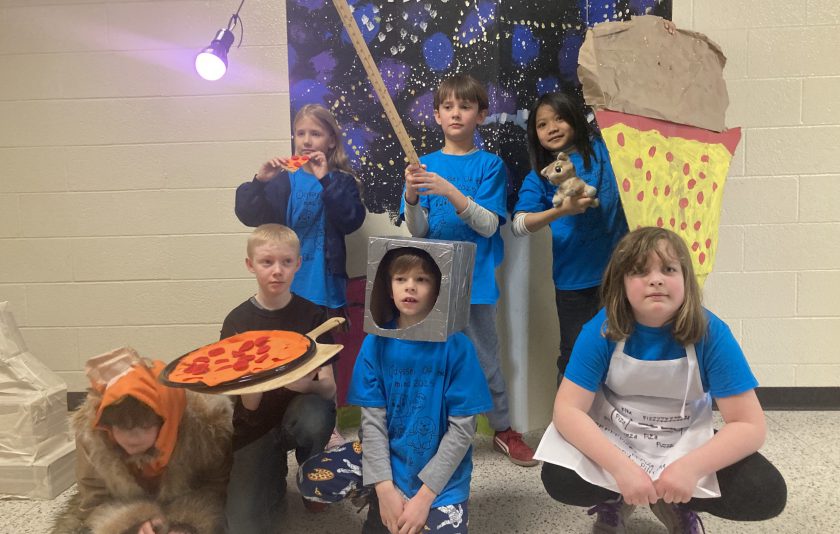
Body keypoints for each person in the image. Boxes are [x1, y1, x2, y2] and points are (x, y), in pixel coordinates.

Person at [540, 227, 786, 533]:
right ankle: (618, 497)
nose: (656, 279)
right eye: (640, 271)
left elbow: (749, 425)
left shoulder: (712, 334)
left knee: (765, 492)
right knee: (559, 477)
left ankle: (674, 501)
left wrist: (691, 469)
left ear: (686, 280)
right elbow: (567, 411)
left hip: (683, 441)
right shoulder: (599, 331)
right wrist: (620, 469)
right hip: (618, 437)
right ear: (622, 284)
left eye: (668, 269)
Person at [298, 247, 492, 534]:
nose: (410, 286)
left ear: (437, 289)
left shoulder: (457, 347)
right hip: (388, 460)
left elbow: (462, 430)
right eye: (401, 279)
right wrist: (384, 488)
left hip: (440, 477)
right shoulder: (376, 343)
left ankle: (404, 501)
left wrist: (424, 497)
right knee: (311, 477)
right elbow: (373, 424)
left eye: (422, 279)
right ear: (389, 289)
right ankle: (375, 497)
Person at [401, 73, 536, 467]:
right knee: (433, 360)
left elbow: (489, 225)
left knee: (485, 359)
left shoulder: (489, 166)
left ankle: (504, 429)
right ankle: (435, 432)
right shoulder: (422, 165)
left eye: (465, 106)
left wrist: (449, 191)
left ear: (481, 114)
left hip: (474, 283)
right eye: (447, 107)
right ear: (437, 116)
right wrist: (412, 194)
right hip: (431, 284)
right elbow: (418, 229)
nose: (456, 113)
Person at [235, 103, 365, 449]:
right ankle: (281, 418)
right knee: (286, 352)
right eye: (301, 133)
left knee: (325, 357)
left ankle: (328, 422)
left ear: (331, 142)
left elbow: (352, 219)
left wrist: (325, 179)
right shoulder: (281, 180)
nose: (307, 140)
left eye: (315, 134)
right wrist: (259, 182)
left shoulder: (340, 181)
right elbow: (249, 216)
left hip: (325, 286)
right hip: (288, 287)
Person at [222, 224, 338, 531]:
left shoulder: (314, 316)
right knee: (243, 523)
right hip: (254, 427)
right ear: (250, 265)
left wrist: (306, 384)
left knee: (315, 412)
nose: (277, 271)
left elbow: (329, 390)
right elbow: (246, 408)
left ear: (298, 264)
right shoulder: (237, 322)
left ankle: (310, 471)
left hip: (299, 415)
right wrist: (256, 385)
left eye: (286, 262)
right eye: (267, 262)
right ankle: (272, 476)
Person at [512, 91, 628, 385]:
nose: (551, 128)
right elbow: (520, 224)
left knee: (625, 351)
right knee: (575, 356)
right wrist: (560, 211)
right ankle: (567, 422)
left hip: (622, 274)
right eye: (542, 124)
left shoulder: (605, 151)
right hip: (573, 283)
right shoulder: (540, 177)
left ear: (575, 118)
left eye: (559, 118)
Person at [51, 348, 233, 534]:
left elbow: (215, 487)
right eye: (121, 428)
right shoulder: (94, 437)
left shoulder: (205, 431)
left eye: (145, 427)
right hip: (120, 503)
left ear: (166, 422)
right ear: (107, 426)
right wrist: (132, 524)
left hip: (185, 501)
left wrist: (185, 525)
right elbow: (94, 499)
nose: (132, 439)